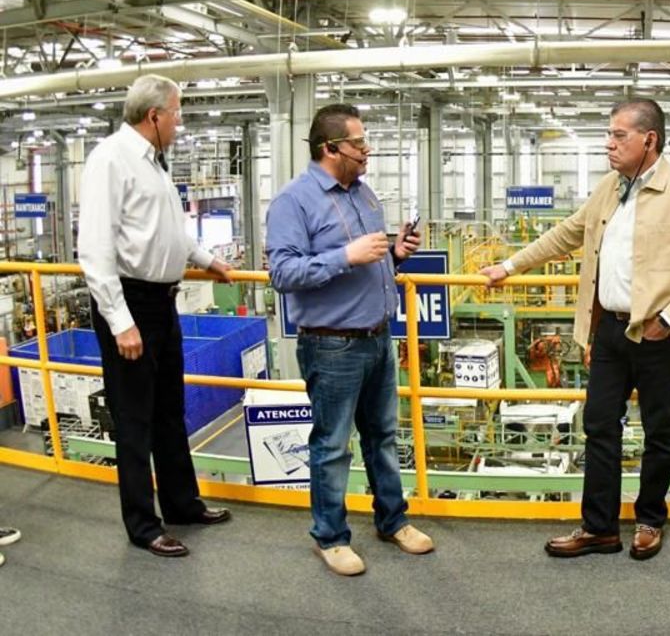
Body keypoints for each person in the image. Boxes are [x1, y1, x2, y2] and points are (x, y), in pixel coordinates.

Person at [480, 98, 670, 561]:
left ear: (649, 140)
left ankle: (650, 520)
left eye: (619, 136)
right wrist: (509, 266)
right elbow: (567, 234)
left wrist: (668, 319)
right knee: (599, 427)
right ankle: (600, 528)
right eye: (609, 135)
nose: (608, 144)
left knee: (658, 431)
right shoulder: (610, 188)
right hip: (609, 332)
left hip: (656, 334)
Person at [266, 103, 433, 577]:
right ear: (330, 148)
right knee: (333, 445)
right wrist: (346, 255)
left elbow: (370, 259)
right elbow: (282, 273)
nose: (367, 150)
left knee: (383, 437)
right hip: (332, 345)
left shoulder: (364, 194)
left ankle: (392, 520)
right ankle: (330, 536)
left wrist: (394, 254)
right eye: (359, 143)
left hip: (379, 338)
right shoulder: (293, 202)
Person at [78, 74, 235, 558]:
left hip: (163, 302)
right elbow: (95, 248)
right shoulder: (111, 159)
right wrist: (120, 320)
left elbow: (168, 231)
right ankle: (144, 526)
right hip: (131, 304)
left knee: (169, 409)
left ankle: (182, 503)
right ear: (154, 116)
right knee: (134, 418)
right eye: (177, 114)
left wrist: (209, 261)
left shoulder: (155, 164)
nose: (180, 122)